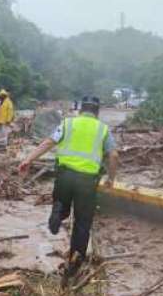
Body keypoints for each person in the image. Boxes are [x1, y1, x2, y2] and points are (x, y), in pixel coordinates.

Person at [18, 96, 118, 279]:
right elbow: (113, 156)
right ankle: (74, 264)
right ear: (97, 112)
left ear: (81, 109)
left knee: (62, 205)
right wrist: (111, 179)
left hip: (64, 176)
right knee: (82, 223)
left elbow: (49, 142)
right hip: (87, 182)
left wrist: (28, 159)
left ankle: (59, 211)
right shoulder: (103, 129)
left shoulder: (67, 123)